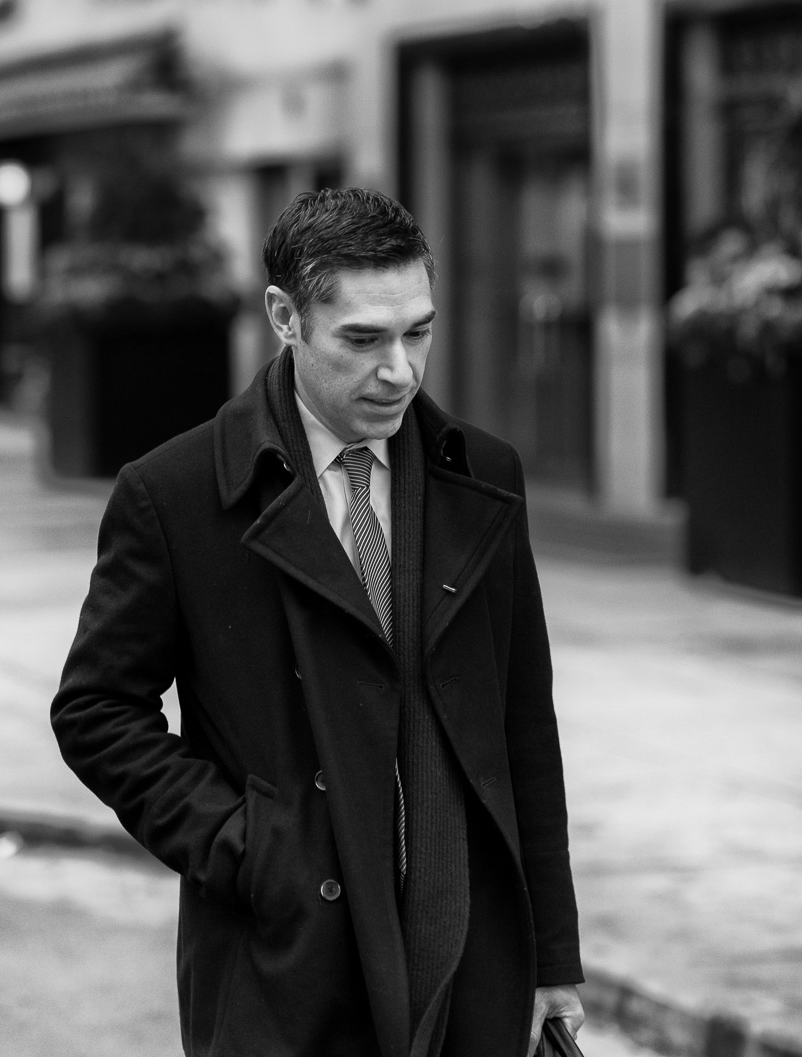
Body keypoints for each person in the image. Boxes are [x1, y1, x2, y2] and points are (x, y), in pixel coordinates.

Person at [52, 187, 584, 1057]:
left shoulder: (484, 474)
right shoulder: (176, 493)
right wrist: (253, 848)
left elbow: (524, 722)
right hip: (289, 956)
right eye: (363, 340)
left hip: (469, 946)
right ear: (285, 318)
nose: (401, 372)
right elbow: (97, 711)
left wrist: (552, 952)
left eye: (418, 331)